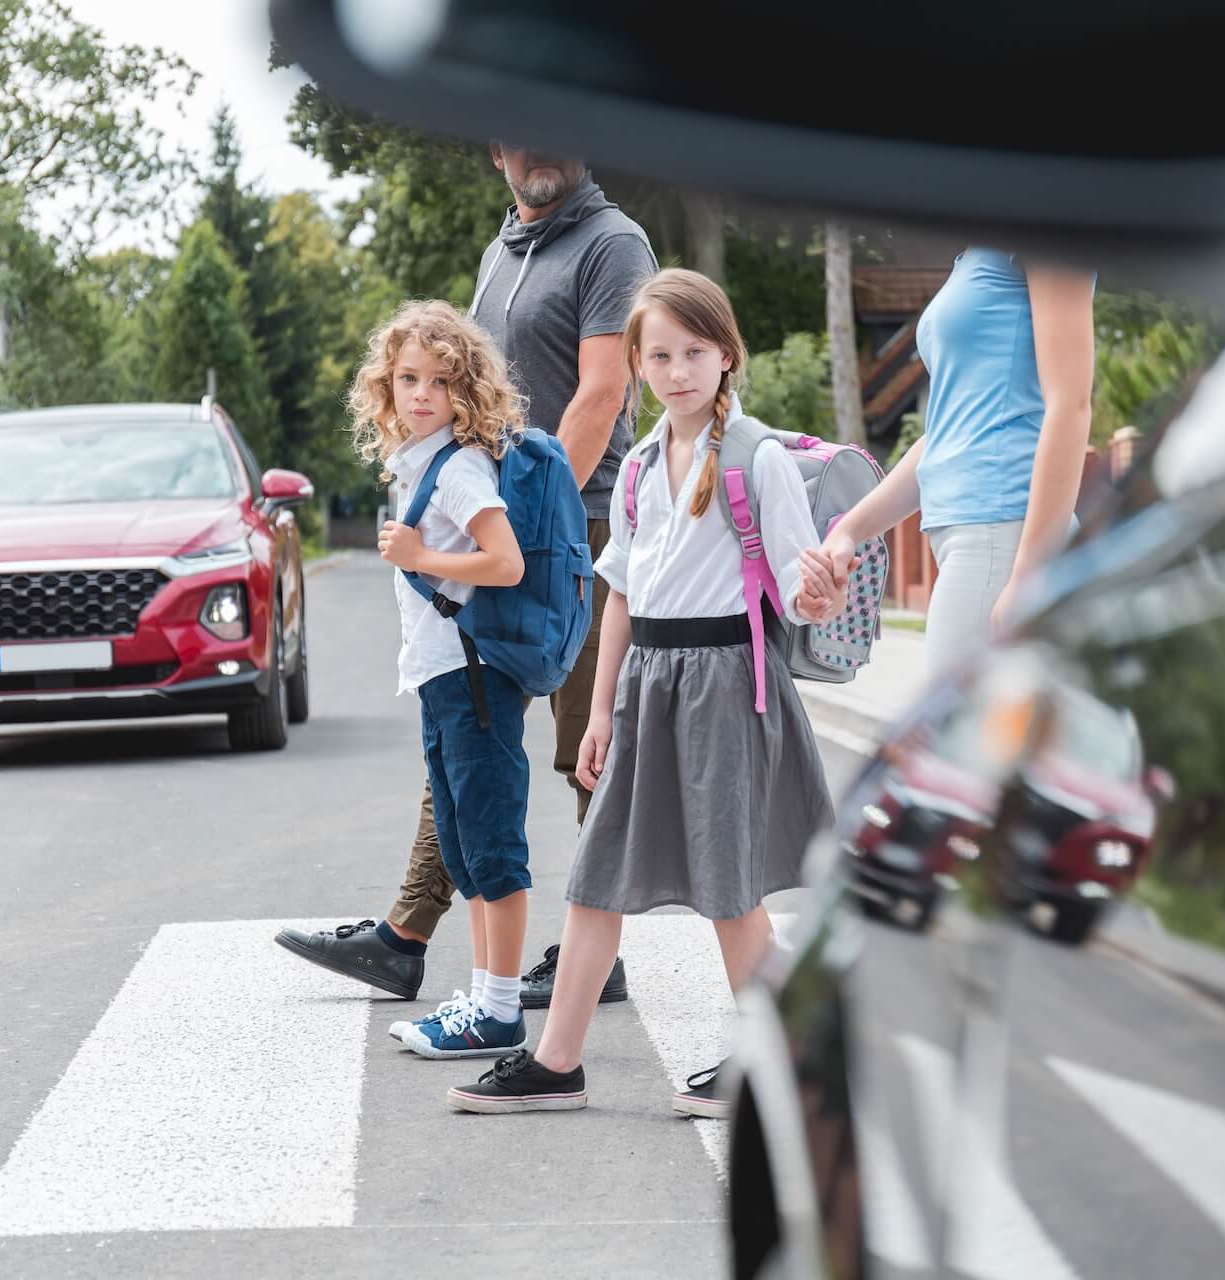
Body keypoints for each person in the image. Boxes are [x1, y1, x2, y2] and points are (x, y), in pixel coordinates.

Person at [447, 268, 847, 1116]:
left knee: (728, 891)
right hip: (648, 686)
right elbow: (619, 596)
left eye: (694, 352)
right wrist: (600, 711)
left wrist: (819, 589)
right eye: (658, 355)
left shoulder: (758, 457)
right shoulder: (634, 467)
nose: (677, 371)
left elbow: (799, 589)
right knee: (597, 879)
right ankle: (557, 1062)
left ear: (727, 355)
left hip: (729, 687)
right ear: (635, 364)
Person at [276, 146, 656, 1008]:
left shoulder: (612, 244)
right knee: (467, 724)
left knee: (585, 747)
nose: (539, 150)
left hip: (576, 529)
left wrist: (529, 520)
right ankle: (404, 936)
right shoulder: (503, 252)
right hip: (502, 522)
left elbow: (601, 393)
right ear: (495, 149)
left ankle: (596, 947)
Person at [344, 300, 538, 1059]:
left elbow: (506, 562)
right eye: (407, 378)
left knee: (492, 849)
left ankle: (498, 1010)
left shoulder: (459, 469)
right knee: (463, 849)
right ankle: (487, 998)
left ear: (467, 391)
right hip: (444, 679)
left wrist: (421, 557)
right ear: (385, 388)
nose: (421, 393)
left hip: (475, 679)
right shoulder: (420, 463)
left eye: (441, 380)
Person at [812, 249, 1096, 673]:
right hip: (979, 539)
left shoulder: (1045, 231)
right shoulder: (974, 253)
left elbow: (1070, 405)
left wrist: (1031, 572)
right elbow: (945, 434)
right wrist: (850, 530)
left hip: (1004, 536)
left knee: (954, 733)